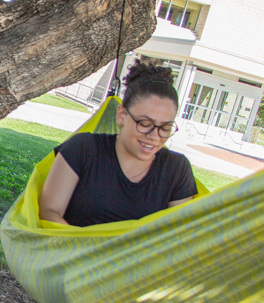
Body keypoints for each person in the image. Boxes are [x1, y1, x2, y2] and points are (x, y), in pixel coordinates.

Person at [38, 61, 198, 226]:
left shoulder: (176, 169)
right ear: (121, 115)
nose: (154, 136)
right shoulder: (83, 149)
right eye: (144, 123)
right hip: (74, 249)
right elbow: (49, 212)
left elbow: (180, 233)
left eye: (165, 127)